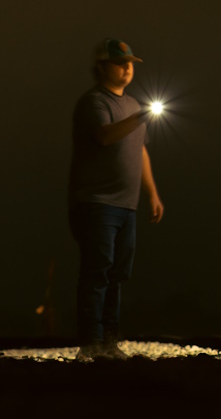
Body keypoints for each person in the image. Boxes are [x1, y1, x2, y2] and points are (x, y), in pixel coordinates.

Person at [67, 38, 164, 358]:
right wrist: (142, 117)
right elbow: (106, 136)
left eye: (130, 63)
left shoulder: (135, 106)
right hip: (96, 202)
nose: (127, 68)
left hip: (126, 205)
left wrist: (152, 194)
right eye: (120, 63)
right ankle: (91, 342)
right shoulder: (94, 103)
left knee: (117, 274)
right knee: (97, 271)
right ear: (101, 68)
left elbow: (141, 152)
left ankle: (109, 341)